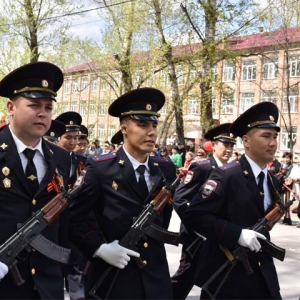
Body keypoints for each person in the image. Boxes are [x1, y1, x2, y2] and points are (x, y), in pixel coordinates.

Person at [69, 87, 177, 299]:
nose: (151, 132)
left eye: (154, 125)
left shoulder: (164, 168)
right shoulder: (101, 168)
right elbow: (73, 217)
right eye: (143, 125)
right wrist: (99, 248)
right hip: (113, 277)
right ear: (124, 128)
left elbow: (164, 220)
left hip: (155, 276)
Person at [184, 102, 282, 299]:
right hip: (228, 276)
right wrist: (236, 234)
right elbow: (194, 214)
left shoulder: (271, 179)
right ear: (246, 141)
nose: (272, 143)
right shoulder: (226, 175)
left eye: (274, 137)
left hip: (263, 275)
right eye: (265, 136)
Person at [0, 61, 71, 299]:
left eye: (49, 107)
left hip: (46, 285)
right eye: (34, 105)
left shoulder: (61, 158)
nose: (43, 113)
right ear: (11, 107)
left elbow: (66, 221)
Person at [171, 123, 236, 300]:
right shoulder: (202, 167)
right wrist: (198, 227)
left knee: (214, 281)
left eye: (231, 145)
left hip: (217, 236)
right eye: (225, 145)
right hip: (197, 237)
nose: (229, 150)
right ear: (213, 145)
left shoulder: (231, 171)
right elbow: (180, 199)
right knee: (185, 278)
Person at [55, 111, 88, 300]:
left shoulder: (84, 162)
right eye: (68, 137)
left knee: (77, 273)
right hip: (53, 222)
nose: (73, 142)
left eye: (76, 138)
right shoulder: (49, 158)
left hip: (75, 223)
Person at [276, 152, 293, 225]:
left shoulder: (290, 167)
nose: (286, 159)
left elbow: (288, 176)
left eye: (288, 158)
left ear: (290, 159)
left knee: (287, 201)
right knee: (282, 201)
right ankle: (285, 217)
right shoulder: (281, 166)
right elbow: (279, 173)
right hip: (281, 185)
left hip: (287, 186)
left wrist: (281, 176)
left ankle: (288, 218)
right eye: (285, 157)